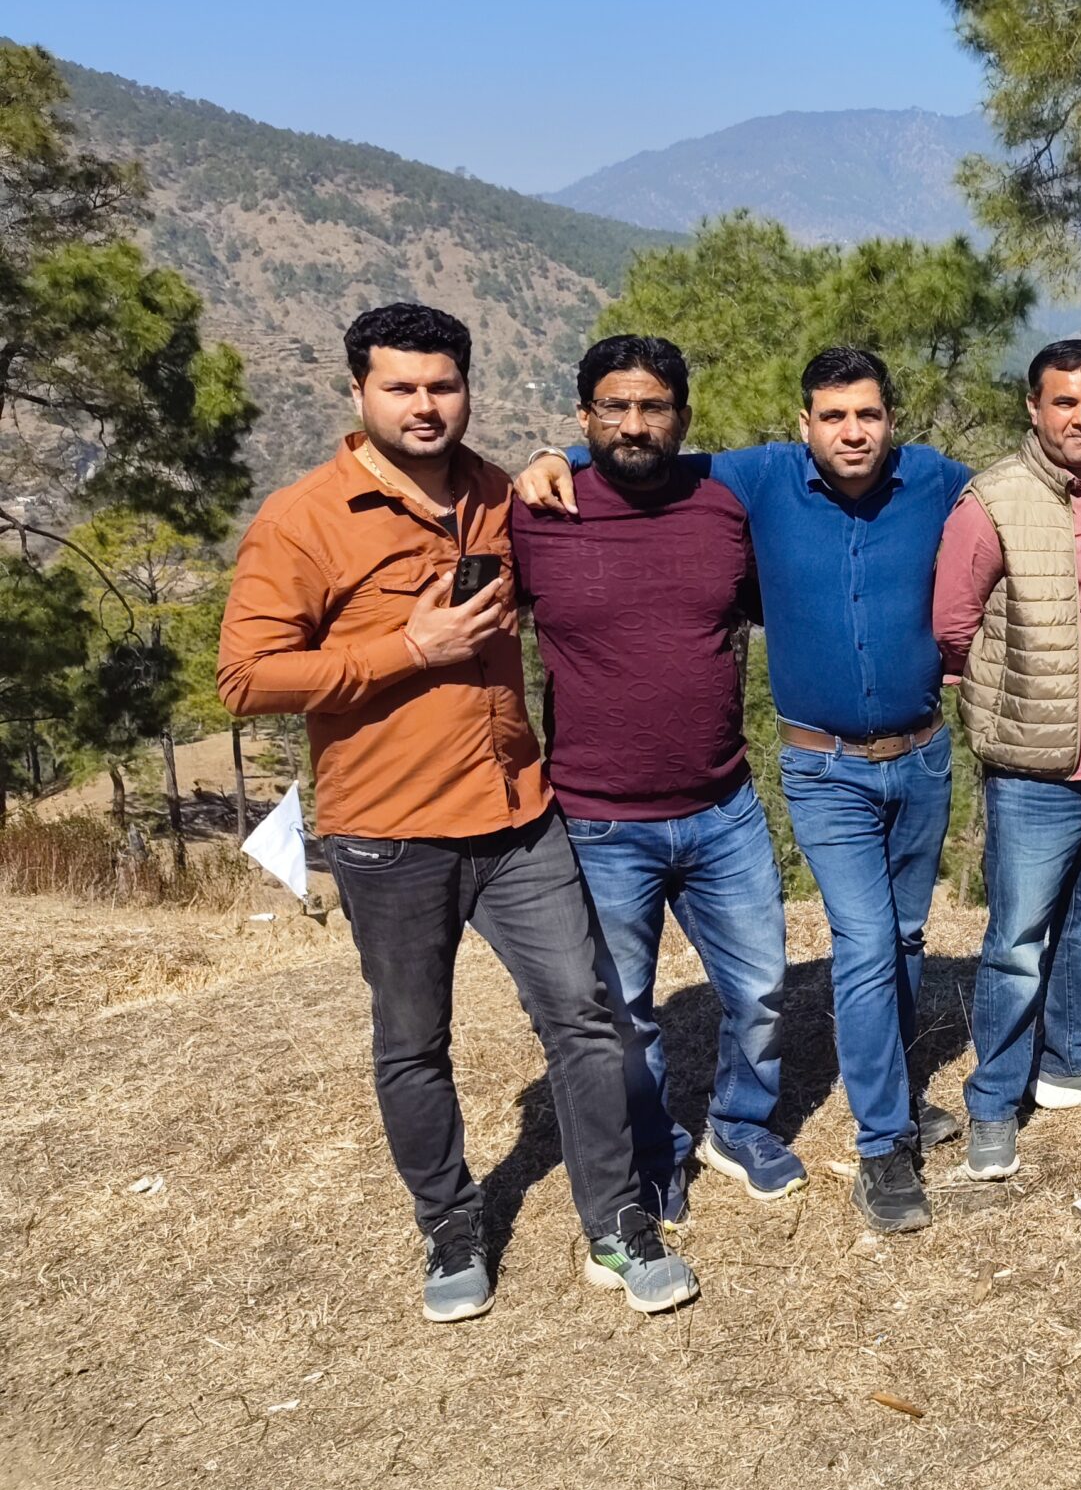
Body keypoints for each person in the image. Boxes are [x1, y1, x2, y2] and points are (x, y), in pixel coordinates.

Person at [218, 303, 698, 1322]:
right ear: (358, 392)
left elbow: (627, 461)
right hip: (386, 830)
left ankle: (618, 1221)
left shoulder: (496, 493)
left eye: (442, 385)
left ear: (466, 388)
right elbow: (246, 676)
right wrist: (409, 648)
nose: (424, 405)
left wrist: (554, 457)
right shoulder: (303, 519)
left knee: (586, 1018)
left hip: (517, 815)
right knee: (413, 1041)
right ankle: (449, 1224)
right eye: (400, 387)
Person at [516, 346, 991, 1236]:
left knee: (896, 939)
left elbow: (1025, 486)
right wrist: (557, 456)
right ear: (803, 424)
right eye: (833, 416)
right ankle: (881, 1143)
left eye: (869, 415)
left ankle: (853, 1095)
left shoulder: (934, 479)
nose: (853, 431)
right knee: (861, 942)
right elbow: (644, 448)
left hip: (923, 757)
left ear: (892, 421)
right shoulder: (759, 477)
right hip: (818, 767)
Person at [510, 335, 797, 1226]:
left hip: (723, 806)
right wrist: (544, 462)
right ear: (583, 415)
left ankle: (738, 1126)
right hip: (597, 822)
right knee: (623, 1014)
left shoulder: (722, 508)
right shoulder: (537, 515)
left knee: (761, 990)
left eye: (654, 406)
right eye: (614, 407)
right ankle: (653, 1150)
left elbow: (810, 473)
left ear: (683, 416)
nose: (634, 424)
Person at [933, 339, 1081, 1180]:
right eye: (1065, 402)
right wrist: (1014, 703)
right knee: (1017, 942)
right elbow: (954, 626)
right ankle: (994, 1102)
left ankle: (1073, 1056)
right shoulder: (994, 500)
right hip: (1037, 767)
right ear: (1032, 408)